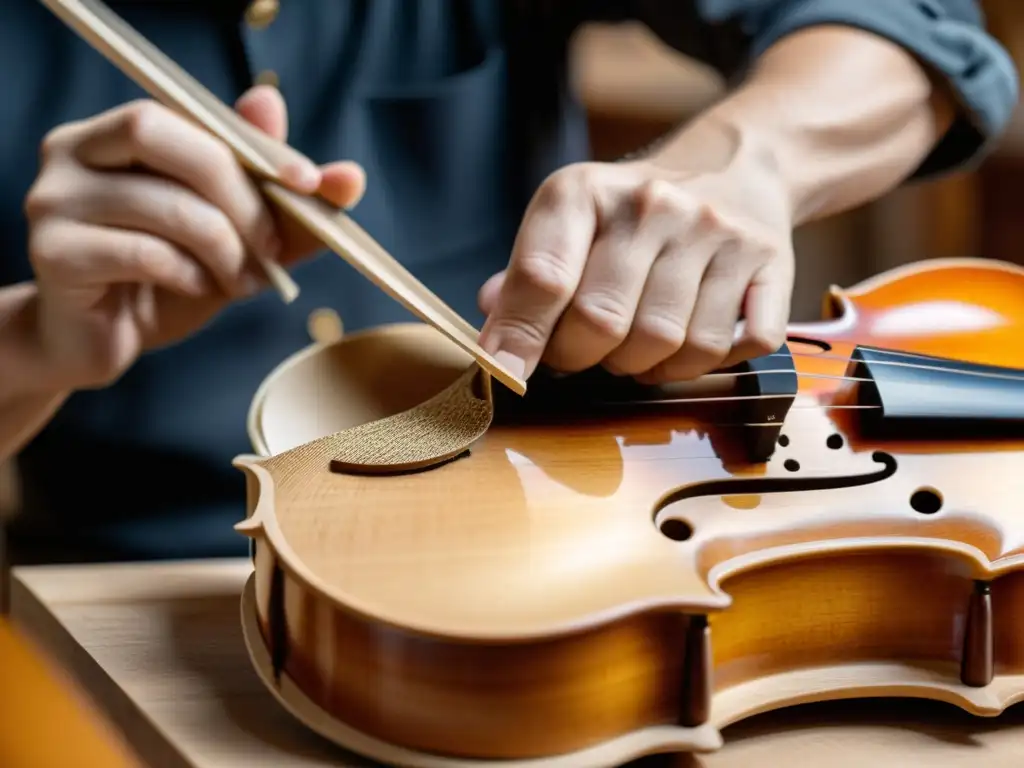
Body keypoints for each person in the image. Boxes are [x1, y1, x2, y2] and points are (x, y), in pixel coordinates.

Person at [0, 0, 1016, 564]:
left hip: (584, 536)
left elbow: (905, 31)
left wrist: (744, 162)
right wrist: (37, 344)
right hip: (150, 589)